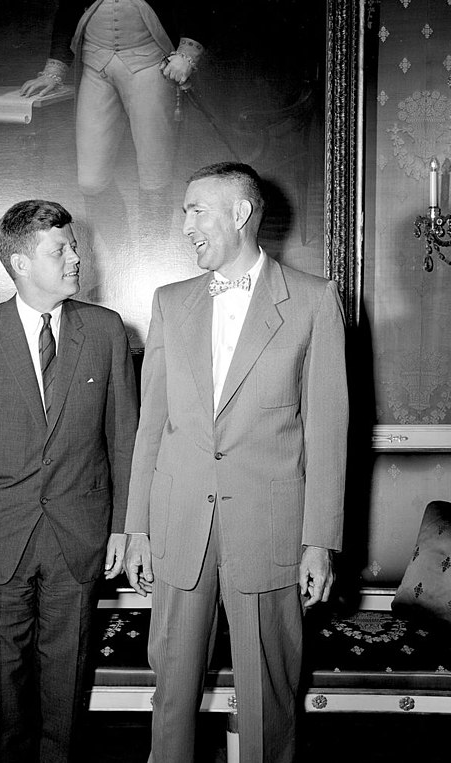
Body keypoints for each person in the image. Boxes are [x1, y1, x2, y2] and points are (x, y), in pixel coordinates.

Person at [124, 162, 348, 762]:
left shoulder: (314, 300)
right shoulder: (170, 302)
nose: (185, 224)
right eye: (184, 211)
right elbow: (153, 426)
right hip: (179, 527)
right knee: (170, 696)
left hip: (269, 531)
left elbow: (328, 431)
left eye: (198, 210)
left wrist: (319, 541)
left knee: (269, 699)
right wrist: (138, 526)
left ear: (242, 214)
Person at [0, 199, 139, 762]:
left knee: (67, 682)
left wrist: (124, 528)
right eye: (62, 249)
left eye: (74, 246)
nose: (77, 257)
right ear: (21, 262)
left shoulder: (104, 330)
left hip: (80, 536)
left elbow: (126, 439)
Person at [20, 1, 211, 244]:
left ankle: (151, 253)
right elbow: (68, 12)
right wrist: (53, 71)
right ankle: (118, 253)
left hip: (150, 63)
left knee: (155, 174)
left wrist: (187, 55)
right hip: (96, 66)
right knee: (90, 180)